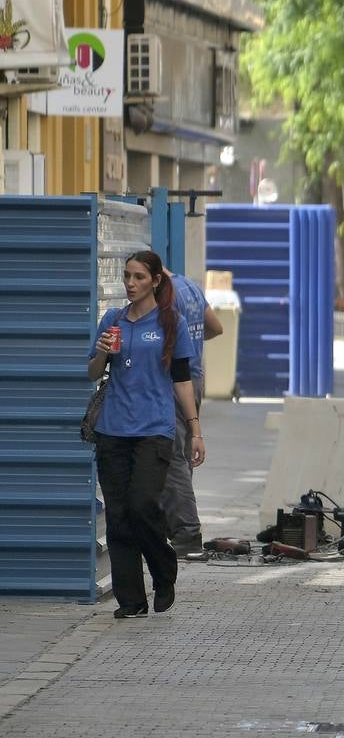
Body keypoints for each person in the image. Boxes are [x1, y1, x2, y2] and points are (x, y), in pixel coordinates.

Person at [87, 251, 205, 619]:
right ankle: (131, 600)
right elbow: (92, 373)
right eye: (126, 276)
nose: (130, 283)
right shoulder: (112, 320)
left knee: (142, 505)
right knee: (119, 516)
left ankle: (163, 569)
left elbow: (182, 378)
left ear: (155, 280)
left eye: (138, 277)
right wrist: (102, 353)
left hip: (154, 429)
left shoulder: (172, 322)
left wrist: (195, 430)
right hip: (112, 430)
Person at [161, 268, 223, 558]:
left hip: (177, 380)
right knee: (182, 458)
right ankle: (174, 525)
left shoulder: (167, 295)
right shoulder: (190, 286)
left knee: (174, 457)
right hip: (195, 377)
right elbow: (215, 327)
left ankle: (186, 533)